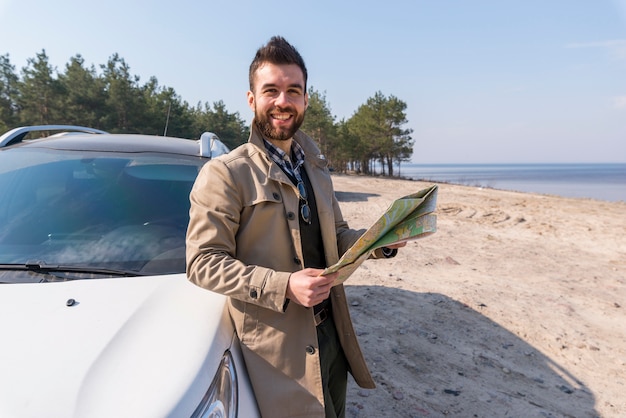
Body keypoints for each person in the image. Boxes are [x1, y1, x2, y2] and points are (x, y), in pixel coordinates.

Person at [186, 35, 404, 418]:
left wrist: (379, 240)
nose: (282, 102)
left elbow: (336, 236)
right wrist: (284, 285)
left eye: (293, 91)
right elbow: (202, 263)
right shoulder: (225, 174)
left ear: (306, 100)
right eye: (271, 90)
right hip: (277, 354)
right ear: (252, 99)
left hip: (332, 335)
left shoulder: (314, 167)